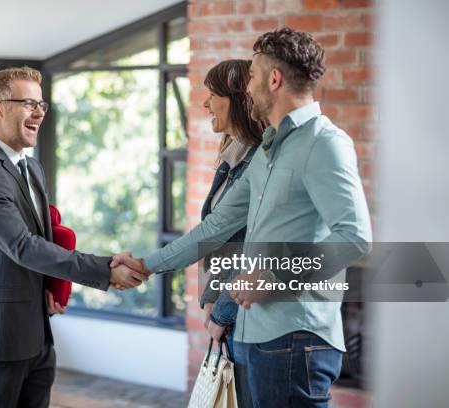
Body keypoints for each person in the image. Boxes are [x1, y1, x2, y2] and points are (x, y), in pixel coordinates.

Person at [113, 27, 372, 407]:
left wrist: (272, 276)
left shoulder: (325, 143)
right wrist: (148, 265)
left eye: (251, 76)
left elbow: (354, 237)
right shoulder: (268, 150)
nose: (247, 87)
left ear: (274, 79)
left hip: (296, 337)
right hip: (255, 334)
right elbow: (217, 225)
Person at [0, 67, 148, 408]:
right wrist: (104, 269)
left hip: (36, 331)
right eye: (29, 103)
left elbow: (43, 238)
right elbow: (23, 247)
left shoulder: (31, 167)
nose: (40, 112)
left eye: (41, 103)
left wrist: (51, 288)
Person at [197, 60, 264, 360]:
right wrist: (212, 297)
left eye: (212, 94)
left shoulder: (259, 161)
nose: (205, 103)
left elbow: (253, 251)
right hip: (229, 309)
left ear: (236, 100)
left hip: (247, 313)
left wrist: (222, 311)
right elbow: (228, 245)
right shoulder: (230, 160)